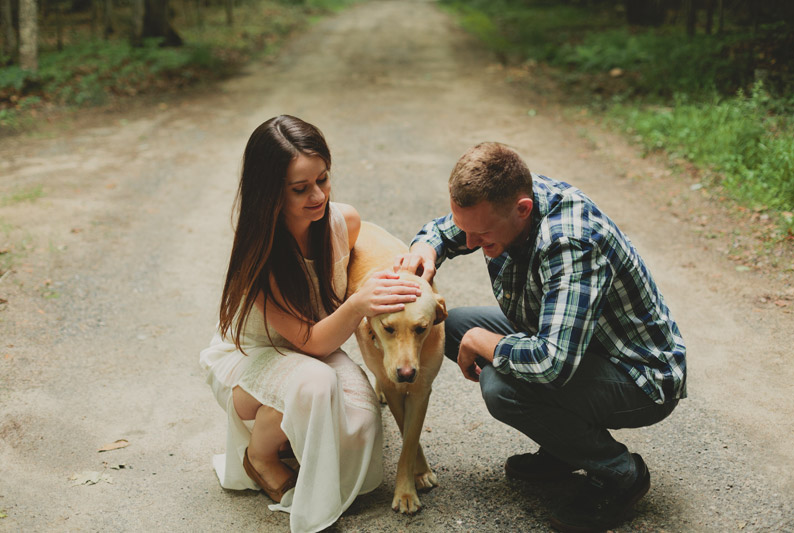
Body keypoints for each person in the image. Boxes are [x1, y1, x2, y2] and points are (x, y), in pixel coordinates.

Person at [395, 142, 686, 532]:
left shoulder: (571, 244)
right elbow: (446, 231)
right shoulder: (507, 199)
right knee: (452, 327)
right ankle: (564, 447)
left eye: (481, 234)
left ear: (522, 209)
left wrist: (484, 342)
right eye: (466, 228)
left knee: (502, 387)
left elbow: (552, 363)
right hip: (576, 343)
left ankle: (620, 474)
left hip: (638, 375)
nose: (470, 243)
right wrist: (424, 250)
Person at [199, 115, 421, 533]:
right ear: (270, 194)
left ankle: (291, 438)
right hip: (253, 359)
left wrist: (409, 270)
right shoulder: (257, 257)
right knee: (317, 385)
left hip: (310, 356)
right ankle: (261, 455)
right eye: (300, 189)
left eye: (323, 179)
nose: (318, 195)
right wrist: (358, 304)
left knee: (360, 420)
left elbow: (376, 266)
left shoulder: (344, 222)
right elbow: (313, 343)